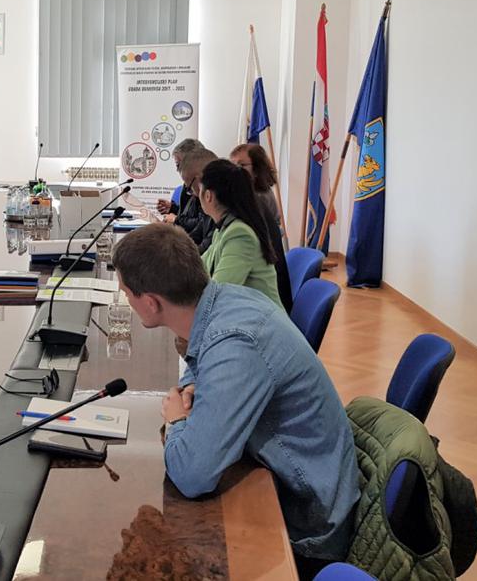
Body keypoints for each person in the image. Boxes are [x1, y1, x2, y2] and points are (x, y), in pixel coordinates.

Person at [112, 224, 358, 578]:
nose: (126, 301)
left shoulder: (236, 342)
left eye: (126, 293)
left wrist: (177, 419)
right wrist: (192, 390)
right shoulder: (226, 301)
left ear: (151, 302)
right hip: (296, 479)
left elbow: (192, 475)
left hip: (308, 524)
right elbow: (199, 362)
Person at [197, 159, 284, 310]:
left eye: (199, 189)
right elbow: (198, 268)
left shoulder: (240, 234)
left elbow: (217, 294)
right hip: (245, 315)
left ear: (208, 195)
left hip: (259, 320)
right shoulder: (223, 229)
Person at [229, 142, 292, 312]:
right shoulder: (255, 196)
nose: (234, 172)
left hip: (267, 304)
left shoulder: (257, 200)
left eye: (241, 166)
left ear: (257, 170)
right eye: (232, 166)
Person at [175, 148, 217, 250]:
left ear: (200, 181)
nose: (193, 194)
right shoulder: (209, 211)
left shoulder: (221, 213)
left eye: (190, 188)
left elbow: (204, 250)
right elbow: (194, 236)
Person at [155, 138, 204, 217]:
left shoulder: (206, 187)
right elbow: (187, 215)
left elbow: (201, 222)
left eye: (179, 165)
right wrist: (173, 209)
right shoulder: (187, 186)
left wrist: (176, 220)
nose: (178, 170)